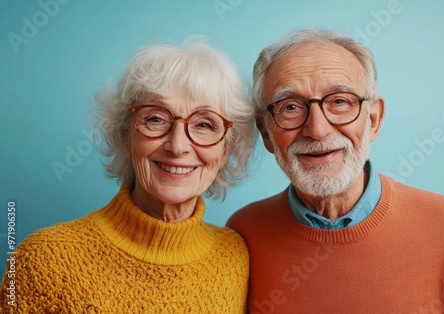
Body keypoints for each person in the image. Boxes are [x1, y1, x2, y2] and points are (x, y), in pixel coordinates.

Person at [227, 27, 444, 313]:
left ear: (373, 119)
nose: (317, 130)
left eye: (340, 101)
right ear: (267, 133)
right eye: (291, 107)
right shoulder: (243, 234)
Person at [1, 36, 256, 313]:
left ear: (227, 148)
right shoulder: (43, 260)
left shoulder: (236, 257)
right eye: (156, 119)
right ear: (126, 135)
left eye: (205, 124)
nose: (178, 146)